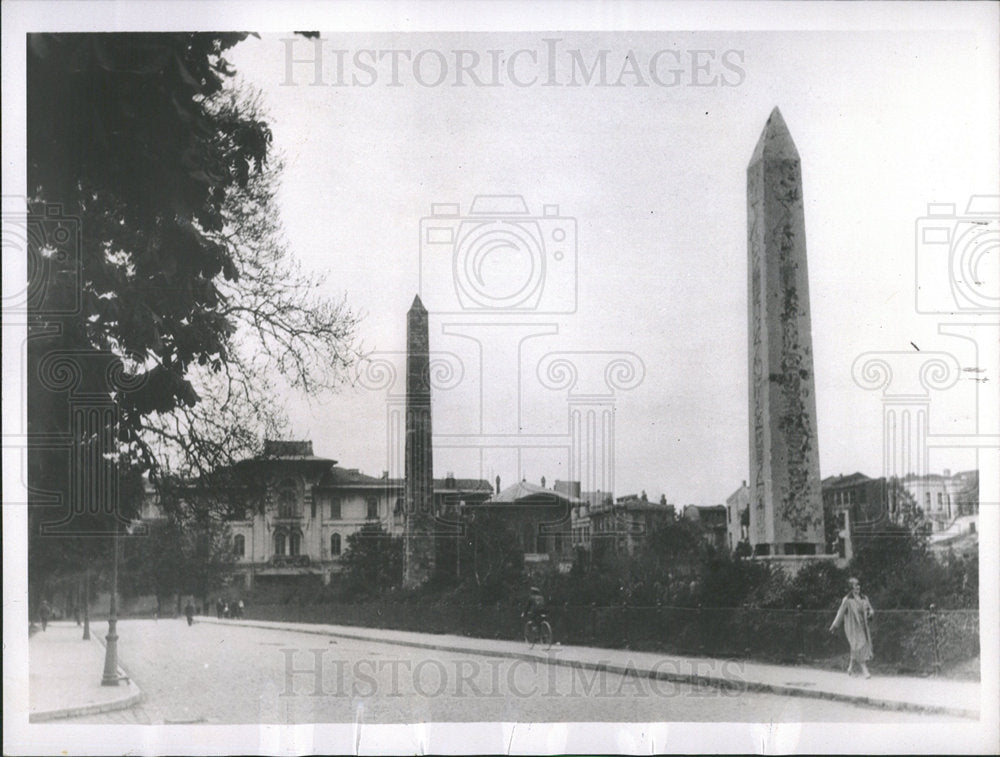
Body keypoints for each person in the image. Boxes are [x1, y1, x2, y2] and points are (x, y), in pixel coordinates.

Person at [829, 577, 874, 678]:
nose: (857, 587)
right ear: (851, 588)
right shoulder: (847, 600)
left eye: (858, 585)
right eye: (855, 586)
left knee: (856, 646)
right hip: (852, 627)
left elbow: (870, 609)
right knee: (859, 645)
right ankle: (865, 670)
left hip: (863, 626)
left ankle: (850, 668)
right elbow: (840, 613)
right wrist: (834, 626)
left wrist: (871, 612)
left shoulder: (864, 598)